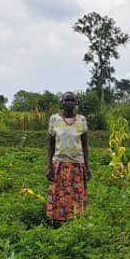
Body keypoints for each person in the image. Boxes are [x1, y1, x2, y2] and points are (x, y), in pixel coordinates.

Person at [46, 92, 90, 222]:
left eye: (72, 100)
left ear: (75, 103)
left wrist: (87, 167)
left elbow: (85, 145)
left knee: (76, 195)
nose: (69, 102)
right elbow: (51, 145)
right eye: (67, 100)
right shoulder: (55, 119)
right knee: (58, 195)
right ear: (62, 102)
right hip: (59, 163)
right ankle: (57, 222)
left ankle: (75, 221)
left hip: (77, 163)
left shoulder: (81, 120)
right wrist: (49, 166)